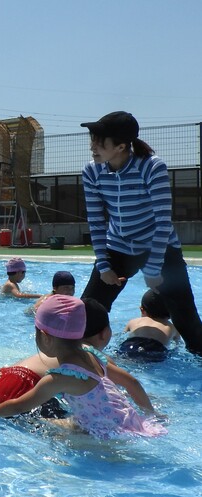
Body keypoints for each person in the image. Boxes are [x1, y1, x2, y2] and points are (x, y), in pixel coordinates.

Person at [79, 111, 202, 355]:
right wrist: (104, 266)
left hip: (159, 247)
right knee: (86, 313)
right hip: (118, 248)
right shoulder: (92, 172)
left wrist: (154, 268)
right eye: (92, 139)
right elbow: (95, 220)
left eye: (100, 141)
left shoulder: (151, 167)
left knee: (185, 318)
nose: (93, 146)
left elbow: (162, 220)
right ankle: (78, 366)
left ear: (121, 146)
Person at [0, 295, 167, 439]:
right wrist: (152, 414)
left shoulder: (59, 378)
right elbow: (132, 382)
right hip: (130, 421)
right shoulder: (94, 355)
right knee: (61, 423)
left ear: (44, 336)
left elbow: (17, 406)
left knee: (40, 432)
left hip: (107, 435)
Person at [120, 290, 180, 361]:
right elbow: (177, 344)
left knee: (123, 359)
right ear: (171, 313)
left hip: (131, 345)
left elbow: (122, 336)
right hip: (156, 349)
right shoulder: (172, 327)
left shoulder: (133, 321)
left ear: (142, 310)